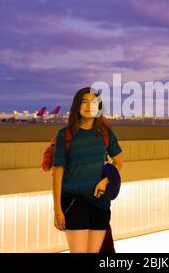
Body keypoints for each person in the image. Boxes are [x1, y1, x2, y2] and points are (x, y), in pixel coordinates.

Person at [51, 86, 123, 253]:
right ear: (77, 105)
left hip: (100, 203)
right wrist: (57, 210)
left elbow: (119, 163)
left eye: (94, 102)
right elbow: (57, 174)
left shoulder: (105, 133)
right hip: (74, 201)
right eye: (84, 101)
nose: (89, 105)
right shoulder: (65, 135)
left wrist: (106, 181)